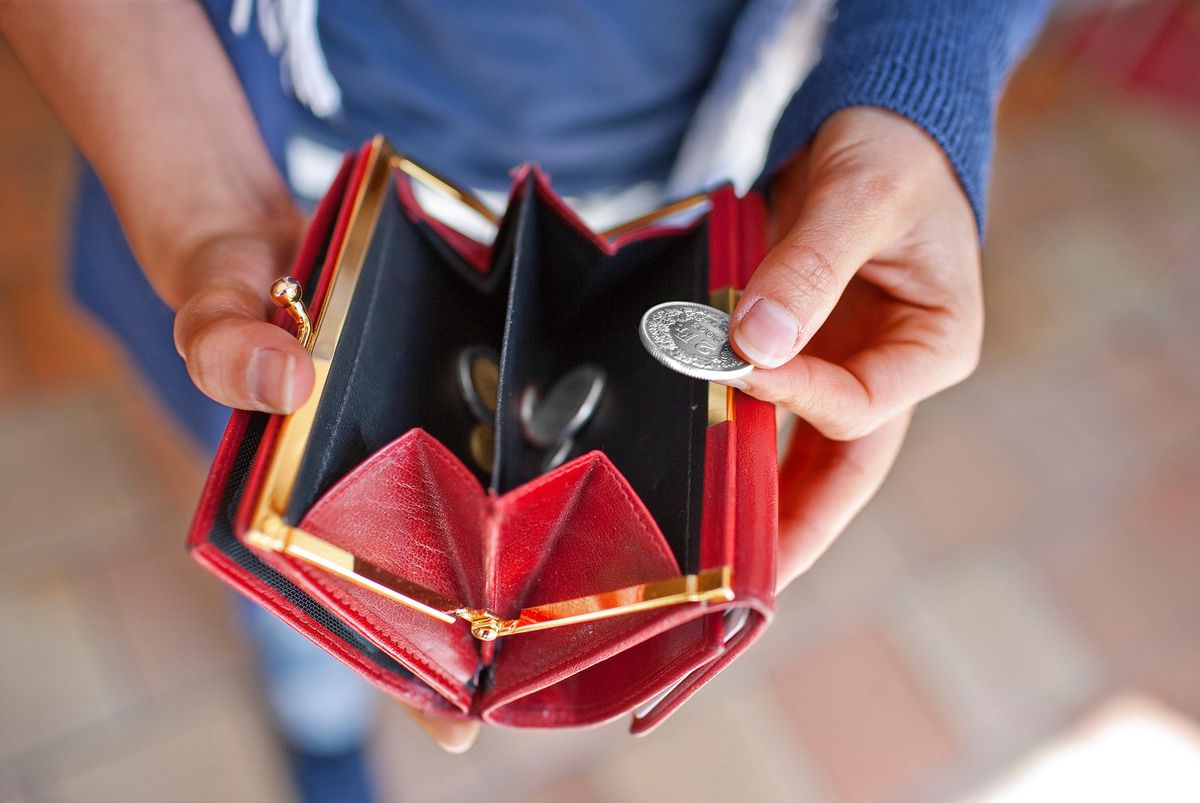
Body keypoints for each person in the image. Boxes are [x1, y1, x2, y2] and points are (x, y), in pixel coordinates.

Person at [0, 0, 1051, 799]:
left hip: (673, 193)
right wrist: (198, 200)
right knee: (296, 553)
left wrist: (923, 71)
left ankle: (316, 698)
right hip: (286, 196)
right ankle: (315, 710)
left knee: (311, 532)